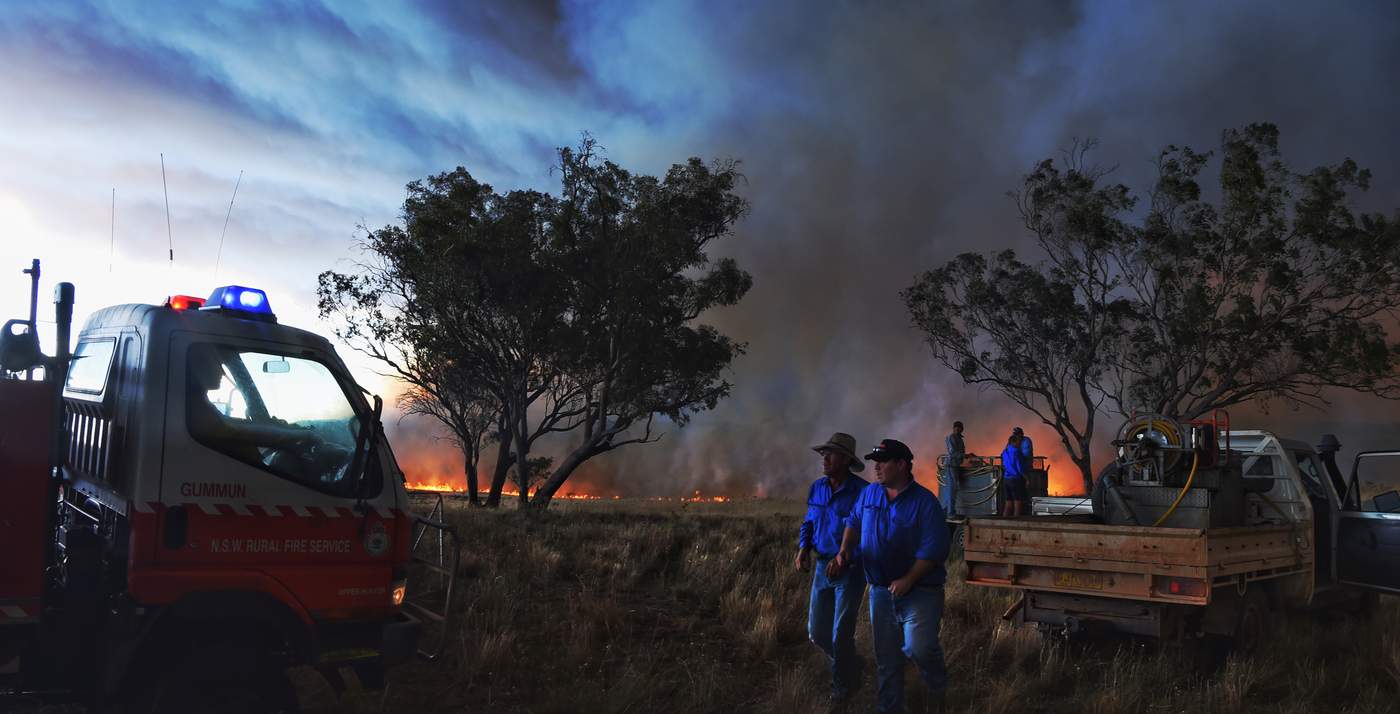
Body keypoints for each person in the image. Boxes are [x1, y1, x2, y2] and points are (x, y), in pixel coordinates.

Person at [833, 438, 949, 713]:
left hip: (920, 592)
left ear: (901, 464)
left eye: (882, 462)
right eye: (875, 462)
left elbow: (934, 550)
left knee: (919, 648)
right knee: (886, 659)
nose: (876, 467)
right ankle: (890, 708)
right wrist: (844, 550)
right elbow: (853, 521)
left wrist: (908, 579)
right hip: (881, 592)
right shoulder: (870, 494)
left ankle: (936, 688)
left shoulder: (925, 503)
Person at [797, 432, 870, 705]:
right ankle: (851, 664)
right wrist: (803, 548)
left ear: (846, 460)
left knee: (841, 633)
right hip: (820, 567)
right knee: (817, 633)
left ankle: (841, 689)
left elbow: (869, 536)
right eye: (823, 454)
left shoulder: (863, 493)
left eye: (832, 454)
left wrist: (845, 558)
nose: (825, 458)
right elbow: (809, 522)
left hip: (849, 571)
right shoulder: (817, 488)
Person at [1001, 428, 1031, 517]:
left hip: (1006, 480)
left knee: (1008, 503)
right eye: (1018, 442)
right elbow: (1020, 468)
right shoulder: (1016, 452)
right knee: (1018, 503)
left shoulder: (1004, 452)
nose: (1019, 444)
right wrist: (1027, 479)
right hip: (1015, 480)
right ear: (1014, 442)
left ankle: (1004, 523)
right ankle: (1016, 523)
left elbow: (1004, 464)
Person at [943, 421, 966, 520]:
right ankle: (951, 513)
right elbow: (953, 453)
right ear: (954, 428)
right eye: (956, 427)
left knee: (953, 489)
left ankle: (947, 510)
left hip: (956, 465)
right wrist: (965, 456)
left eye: (960, 427)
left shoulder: (960, 439)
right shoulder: (951, 437)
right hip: (951, 465)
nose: (958, 429)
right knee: (952, 489)